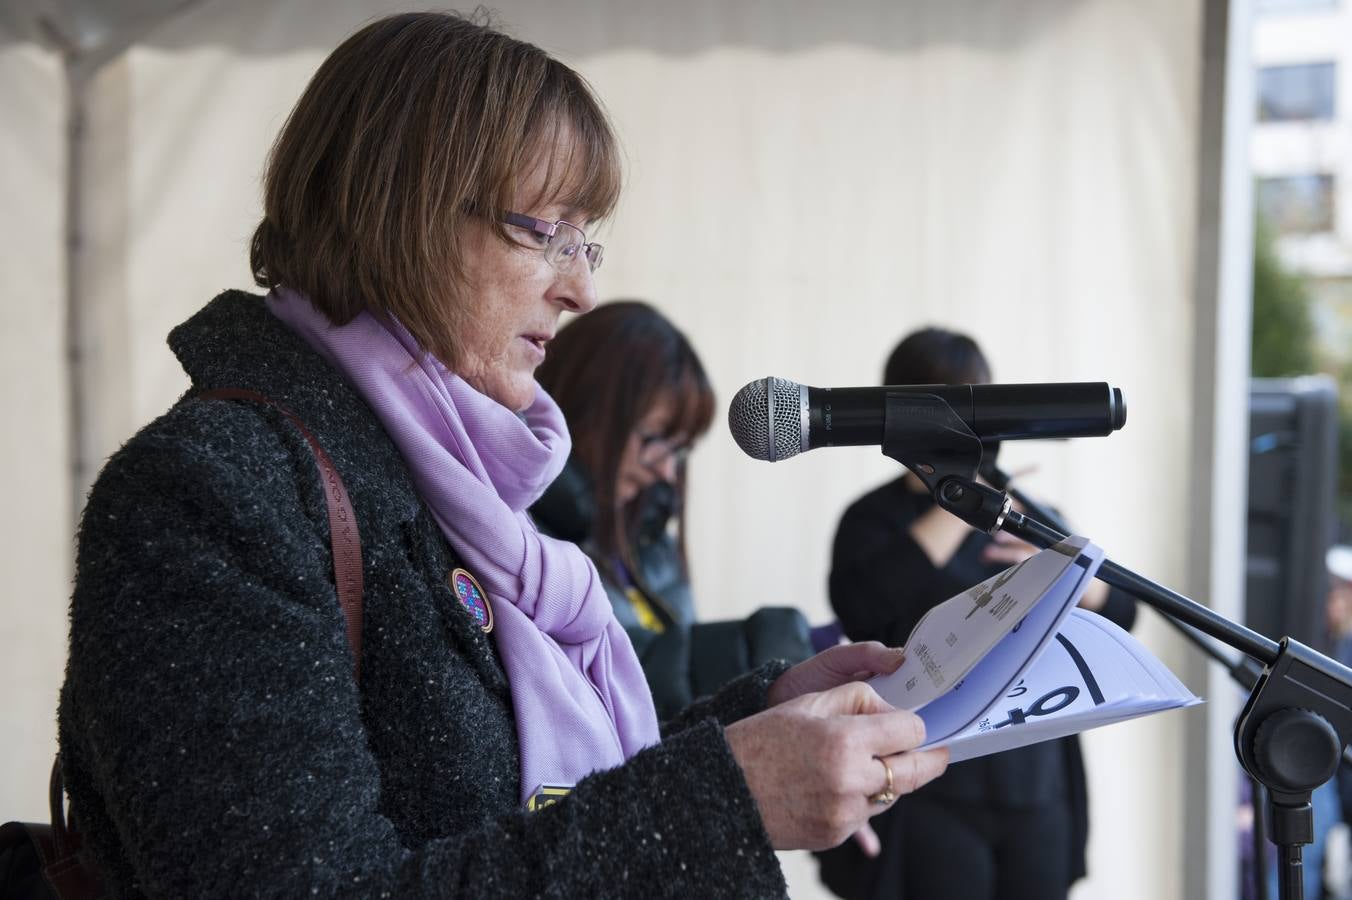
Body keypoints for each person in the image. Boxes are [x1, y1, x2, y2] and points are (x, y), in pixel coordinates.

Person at [55, 13, 948, 897]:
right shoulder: (212, 493)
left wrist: (757, 717)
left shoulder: (453, 482)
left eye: (585, 237)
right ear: (399, 210)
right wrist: (731, 796)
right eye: (544, 231)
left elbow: (513, 800)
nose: (581, 287)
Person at [815, 327, 1136, 900]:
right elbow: (866, 609)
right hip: (930, 780)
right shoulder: (873, 519)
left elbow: (1124, 611)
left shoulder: (1027, 516)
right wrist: (964, 495)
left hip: (1034, 776)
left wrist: (1077, 584)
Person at [530, 300, 816, 718]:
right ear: (585, 408)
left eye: (679, 449)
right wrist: (752, 650)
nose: (666, 470)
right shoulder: (518, 532)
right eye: (656, 439)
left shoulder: (649, 538)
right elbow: (595, 680)